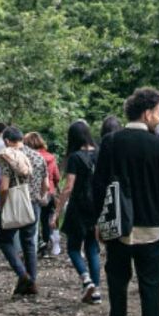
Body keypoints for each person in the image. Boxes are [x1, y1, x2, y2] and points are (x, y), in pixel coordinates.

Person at [90, 87, 159, 316]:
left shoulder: (111, 142)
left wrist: (98, 220)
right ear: (147, 113)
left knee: (117, 277)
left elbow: (99, 184)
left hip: (119, 223)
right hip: (152, 223)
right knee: (150, 282)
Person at [56, 120, 102, 304]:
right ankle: (96, 291)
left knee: (74, 248)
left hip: (79, 205)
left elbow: (68, 187)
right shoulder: (99, 154)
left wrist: (57, 211)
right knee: (93, 247)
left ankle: (86, 279)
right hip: (96, 205)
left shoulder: (75, 157)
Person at [0, 127, 42, 297]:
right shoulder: (37, 156)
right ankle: (32, 282)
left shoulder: (7, 156)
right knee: (29, 242)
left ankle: (23, 275)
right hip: (34, 205)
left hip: (15, 204)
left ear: (7, 141)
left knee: (5, 240)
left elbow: (4, 187)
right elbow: (45, 185)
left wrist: (1, 205)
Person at [26, 132, 62, 258]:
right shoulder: (50, 157)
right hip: (49, 192)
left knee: (33, 222)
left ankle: (35, 246)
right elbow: (57, 176)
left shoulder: (28, 157)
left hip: (33, 193)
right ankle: (47, 245)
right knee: (46, 220)